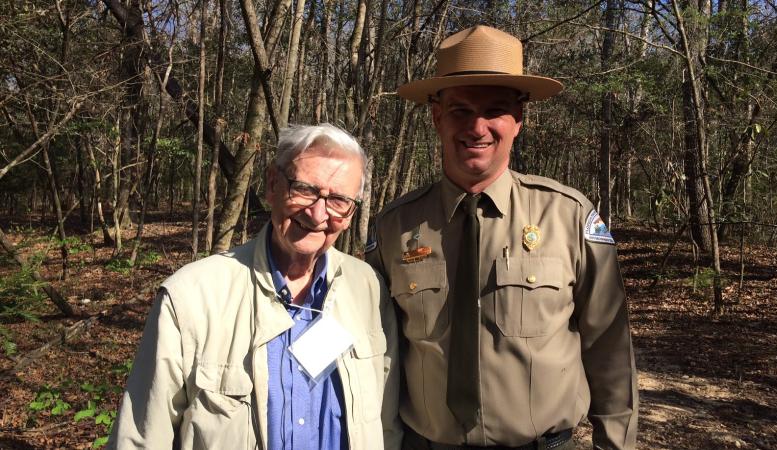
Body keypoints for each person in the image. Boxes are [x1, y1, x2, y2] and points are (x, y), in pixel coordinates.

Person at [365, 25, 637, 449]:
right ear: (437, 117)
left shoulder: (567, 216)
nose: (477, 127)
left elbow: (609, 344)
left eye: (494, 110)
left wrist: (616, 443)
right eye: (460, 110)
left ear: (518, 120)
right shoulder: (394, 227)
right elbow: (374, 350)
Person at [109, 123, 402, 450]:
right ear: (272, 185)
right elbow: (141, 439)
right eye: (305, 189)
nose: (319, 213)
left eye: (338, 200)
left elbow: (387, 426)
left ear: (350, 213)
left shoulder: (369, 290)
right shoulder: (191, 297)